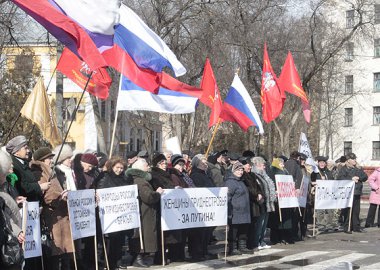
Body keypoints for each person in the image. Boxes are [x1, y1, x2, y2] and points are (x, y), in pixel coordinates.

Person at [30, 147, 74, 270]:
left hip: (60, 215)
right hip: (51, 217)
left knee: (63, 252)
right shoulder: (39, 172)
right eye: (49, 158)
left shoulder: (51, 171)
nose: (51, 160)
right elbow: (46, 196)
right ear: (42, 160)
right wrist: (59, 196)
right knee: (53, 252)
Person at [96, 157, 133, 270]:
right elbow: (100, 192)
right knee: (109, 241)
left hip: (121, 216)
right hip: (109, 215)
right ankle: (107, 263)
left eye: (122, 168)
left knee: (119, 241)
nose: (119, 170)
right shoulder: (105, 178)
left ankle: (116, 261)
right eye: (117, 167)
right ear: (112, 167)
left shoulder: (125, 179)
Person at [125, 159, 164, 266]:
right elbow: (148, 197)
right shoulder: (140, 181)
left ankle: (140, 257)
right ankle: (138, 258)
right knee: (142, 235)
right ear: (140, 168)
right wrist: (157, 193)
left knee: (144, 235)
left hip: (145, 211)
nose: (149, 167)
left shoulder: (139, 179)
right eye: (147, 165)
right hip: (144, 212)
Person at [0, 150, 25, 270]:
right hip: (5, 241)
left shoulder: (6, 185)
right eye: (9, 164)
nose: (12, 166)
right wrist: (17, 231)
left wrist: (15, 202)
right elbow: (5, 217)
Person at [5, 135, 50, 201]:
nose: (28, 151)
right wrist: (40, 187)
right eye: (25, 148)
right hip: (24, 205)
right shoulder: (14, 166)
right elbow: (22, 187)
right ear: (16, 152)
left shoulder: (23, 163)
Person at [224, 161, 251, 255]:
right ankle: (232, 248)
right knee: (234, 231)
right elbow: (227, 197)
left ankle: (242, 246)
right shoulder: (230, 182)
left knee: (243, 231)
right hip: (235, 211)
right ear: (233, 171)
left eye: (241, 170)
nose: (240, 172)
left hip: (245, 211)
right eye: (238, 170)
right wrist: (228, 212)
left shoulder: (241, 181)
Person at [337, 153, 368, 233]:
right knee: (347, 211)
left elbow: (365, 177)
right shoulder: (344, 169)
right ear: (348, 160)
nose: (355, 160)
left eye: (355, 159)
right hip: (348, 193)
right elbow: (340, 178)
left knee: (356, 210)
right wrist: (351, 178)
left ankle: (356, 227)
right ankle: (347, 227)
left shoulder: (358, 168)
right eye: (353, 159)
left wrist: (359, 177)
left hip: (357, 192)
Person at [251, 156, 276, 250]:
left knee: (264, 224)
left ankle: (261, 240)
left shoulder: (264, 175)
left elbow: (268, 185)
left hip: (267, 203)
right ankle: (256, 241)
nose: (264, 167)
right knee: (259, 224)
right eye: (262, 165)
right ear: (257, 165)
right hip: (260, 204)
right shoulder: (254, 175)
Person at [269, 157, 293, 245]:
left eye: (283, 163)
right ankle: (276, 238)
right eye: (281, 164)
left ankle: (285, 236)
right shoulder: (273, 172)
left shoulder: (285, 172)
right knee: (277, 220)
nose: (283, 165)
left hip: (285, 200)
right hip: (278, 200)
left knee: (285, 219)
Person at [241, 157, 263, 250]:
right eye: (248, 165)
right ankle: (247, 244)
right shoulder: (243, 177)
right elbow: (248, 189)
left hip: (255, 205)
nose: (250, 167)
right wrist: (255, 195)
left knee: (254, 225)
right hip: (249, 203)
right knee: (248, 227)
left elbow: (258, 186)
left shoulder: (253, 175)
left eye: (250, 165)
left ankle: (252, 243)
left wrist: (260, 193)